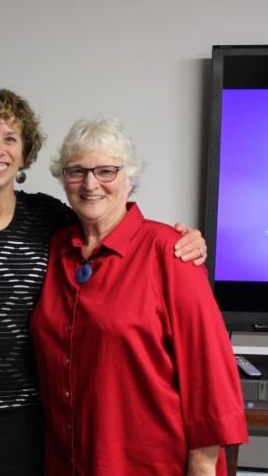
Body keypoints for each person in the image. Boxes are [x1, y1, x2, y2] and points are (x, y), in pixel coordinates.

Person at [0, 90, 208, 476]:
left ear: (25, 154)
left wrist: (183, 239)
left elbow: (108, 224)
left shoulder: (49, 218)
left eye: (10, 138)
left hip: (33, 411)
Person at [30, 117, 247, 475]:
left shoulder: (171, 252)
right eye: (76, 171)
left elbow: (209, 373)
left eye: (106, 171)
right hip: (67, 462)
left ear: (129, 179)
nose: (90, 183)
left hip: (150, 465)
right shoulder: (56, 250)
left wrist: (204, 465)